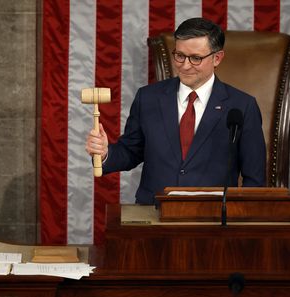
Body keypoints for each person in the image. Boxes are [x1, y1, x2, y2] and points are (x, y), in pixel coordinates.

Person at [85, 17, 266, 205]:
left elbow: (255, 180)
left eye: (196, 58)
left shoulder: (242, 106)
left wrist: (237, 221)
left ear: (217, 58)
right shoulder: (147, 98)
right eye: (179, 56)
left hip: (213, 221)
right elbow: (131, 151)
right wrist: (105, 153)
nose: (185, 66)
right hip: (154, 215)